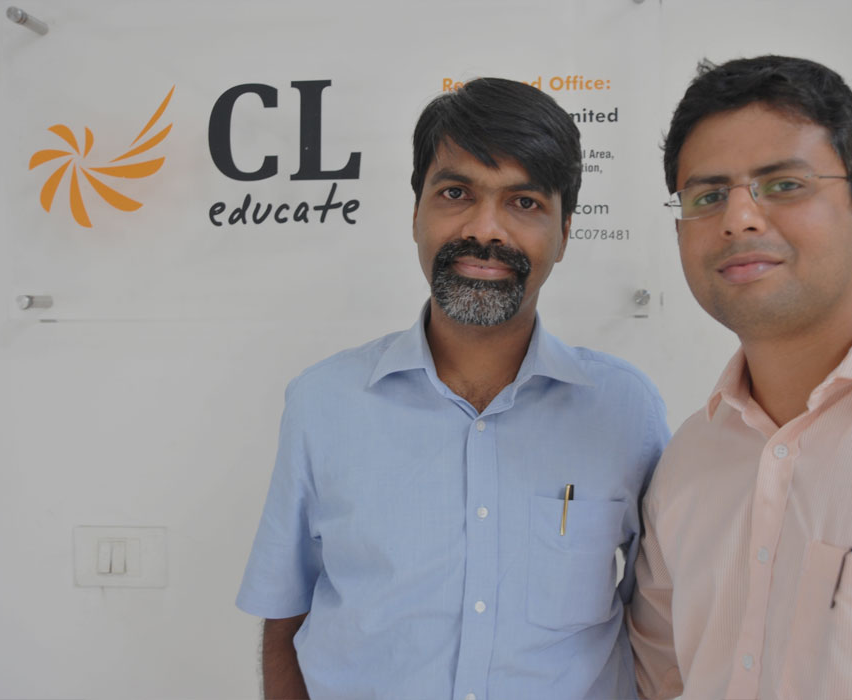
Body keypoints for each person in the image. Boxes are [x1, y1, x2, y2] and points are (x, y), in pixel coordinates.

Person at [236, 77, 669, 700]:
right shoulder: (323, 402)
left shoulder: (626, 410)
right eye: (456, 193)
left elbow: (658, 620)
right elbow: (286, 616)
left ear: (565, 233)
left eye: (524, 202)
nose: (485, 229)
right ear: (416, 213)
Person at [627, 54, 852, 700]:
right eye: (707, 196)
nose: (739, 218)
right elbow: (659, 680)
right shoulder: (687, 462)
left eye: (783, 184)